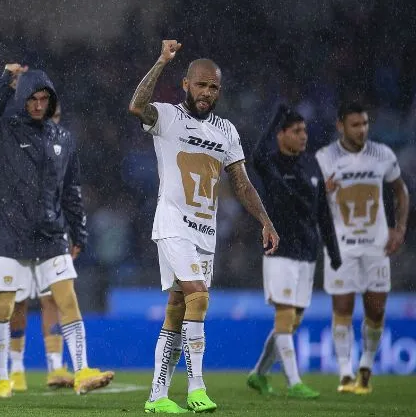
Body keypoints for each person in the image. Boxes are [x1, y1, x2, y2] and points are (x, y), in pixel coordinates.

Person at [127, 39, 279, 414]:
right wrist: (161, 60)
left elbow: (241, 183)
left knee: (178, 307)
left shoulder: (226, 131)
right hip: (172, 223)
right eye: (201, 84)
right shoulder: (167, 117)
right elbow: (136, 106)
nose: (207, 92)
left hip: (204, 232)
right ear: (186, 84)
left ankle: (157, 396)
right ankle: (197, 388)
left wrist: (265, 220)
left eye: (213, 87)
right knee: (199, 296)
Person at [0, 63, 113, 398]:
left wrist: (79, 233)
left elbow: (70, 191)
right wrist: (5, 81)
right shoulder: (3, 131)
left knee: (68, 300)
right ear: (22, 99)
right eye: (32, 98)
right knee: (4, 306)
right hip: (10, 235)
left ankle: (82, 371)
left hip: (50, 235)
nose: (38, 105)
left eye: (44, 99)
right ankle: (4, 378)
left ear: (52, 101)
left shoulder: (63, 138)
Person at [246, 105, 342, 398]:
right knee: (285, 317)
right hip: (280, 250)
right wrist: (275, 115)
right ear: (282, 135)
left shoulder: (313, 165)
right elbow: (256, 156)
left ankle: (259, 374)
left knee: (293, 321)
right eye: (296, 131)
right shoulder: (271, 163)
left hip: (307, 253)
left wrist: (333, 252)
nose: (304, 136)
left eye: (305, 130)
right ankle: (294, 381)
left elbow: (323, 213)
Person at [315, 101, 409, 394]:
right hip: (342, 246)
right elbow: (311, 199)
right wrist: (322, 191)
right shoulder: (325, 157)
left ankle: (366, 366)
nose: (362, 130)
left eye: (365, 124)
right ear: (340, 126)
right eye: (355, 125)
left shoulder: (382, 154)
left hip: (376, 245)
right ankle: (345, 373)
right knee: (342, 306)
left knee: (376, 309)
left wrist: (400, 228)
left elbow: (400, 191)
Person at [7, 102, 73, 391]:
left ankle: (55, 366)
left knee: (51, 299)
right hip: (20, 234)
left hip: (51, 236)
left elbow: (69, 195)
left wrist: (71, 233)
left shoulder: (64, 149)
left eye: (57, 117)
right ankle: (16, 368)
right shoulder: (19, 144)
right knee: (18, 301)